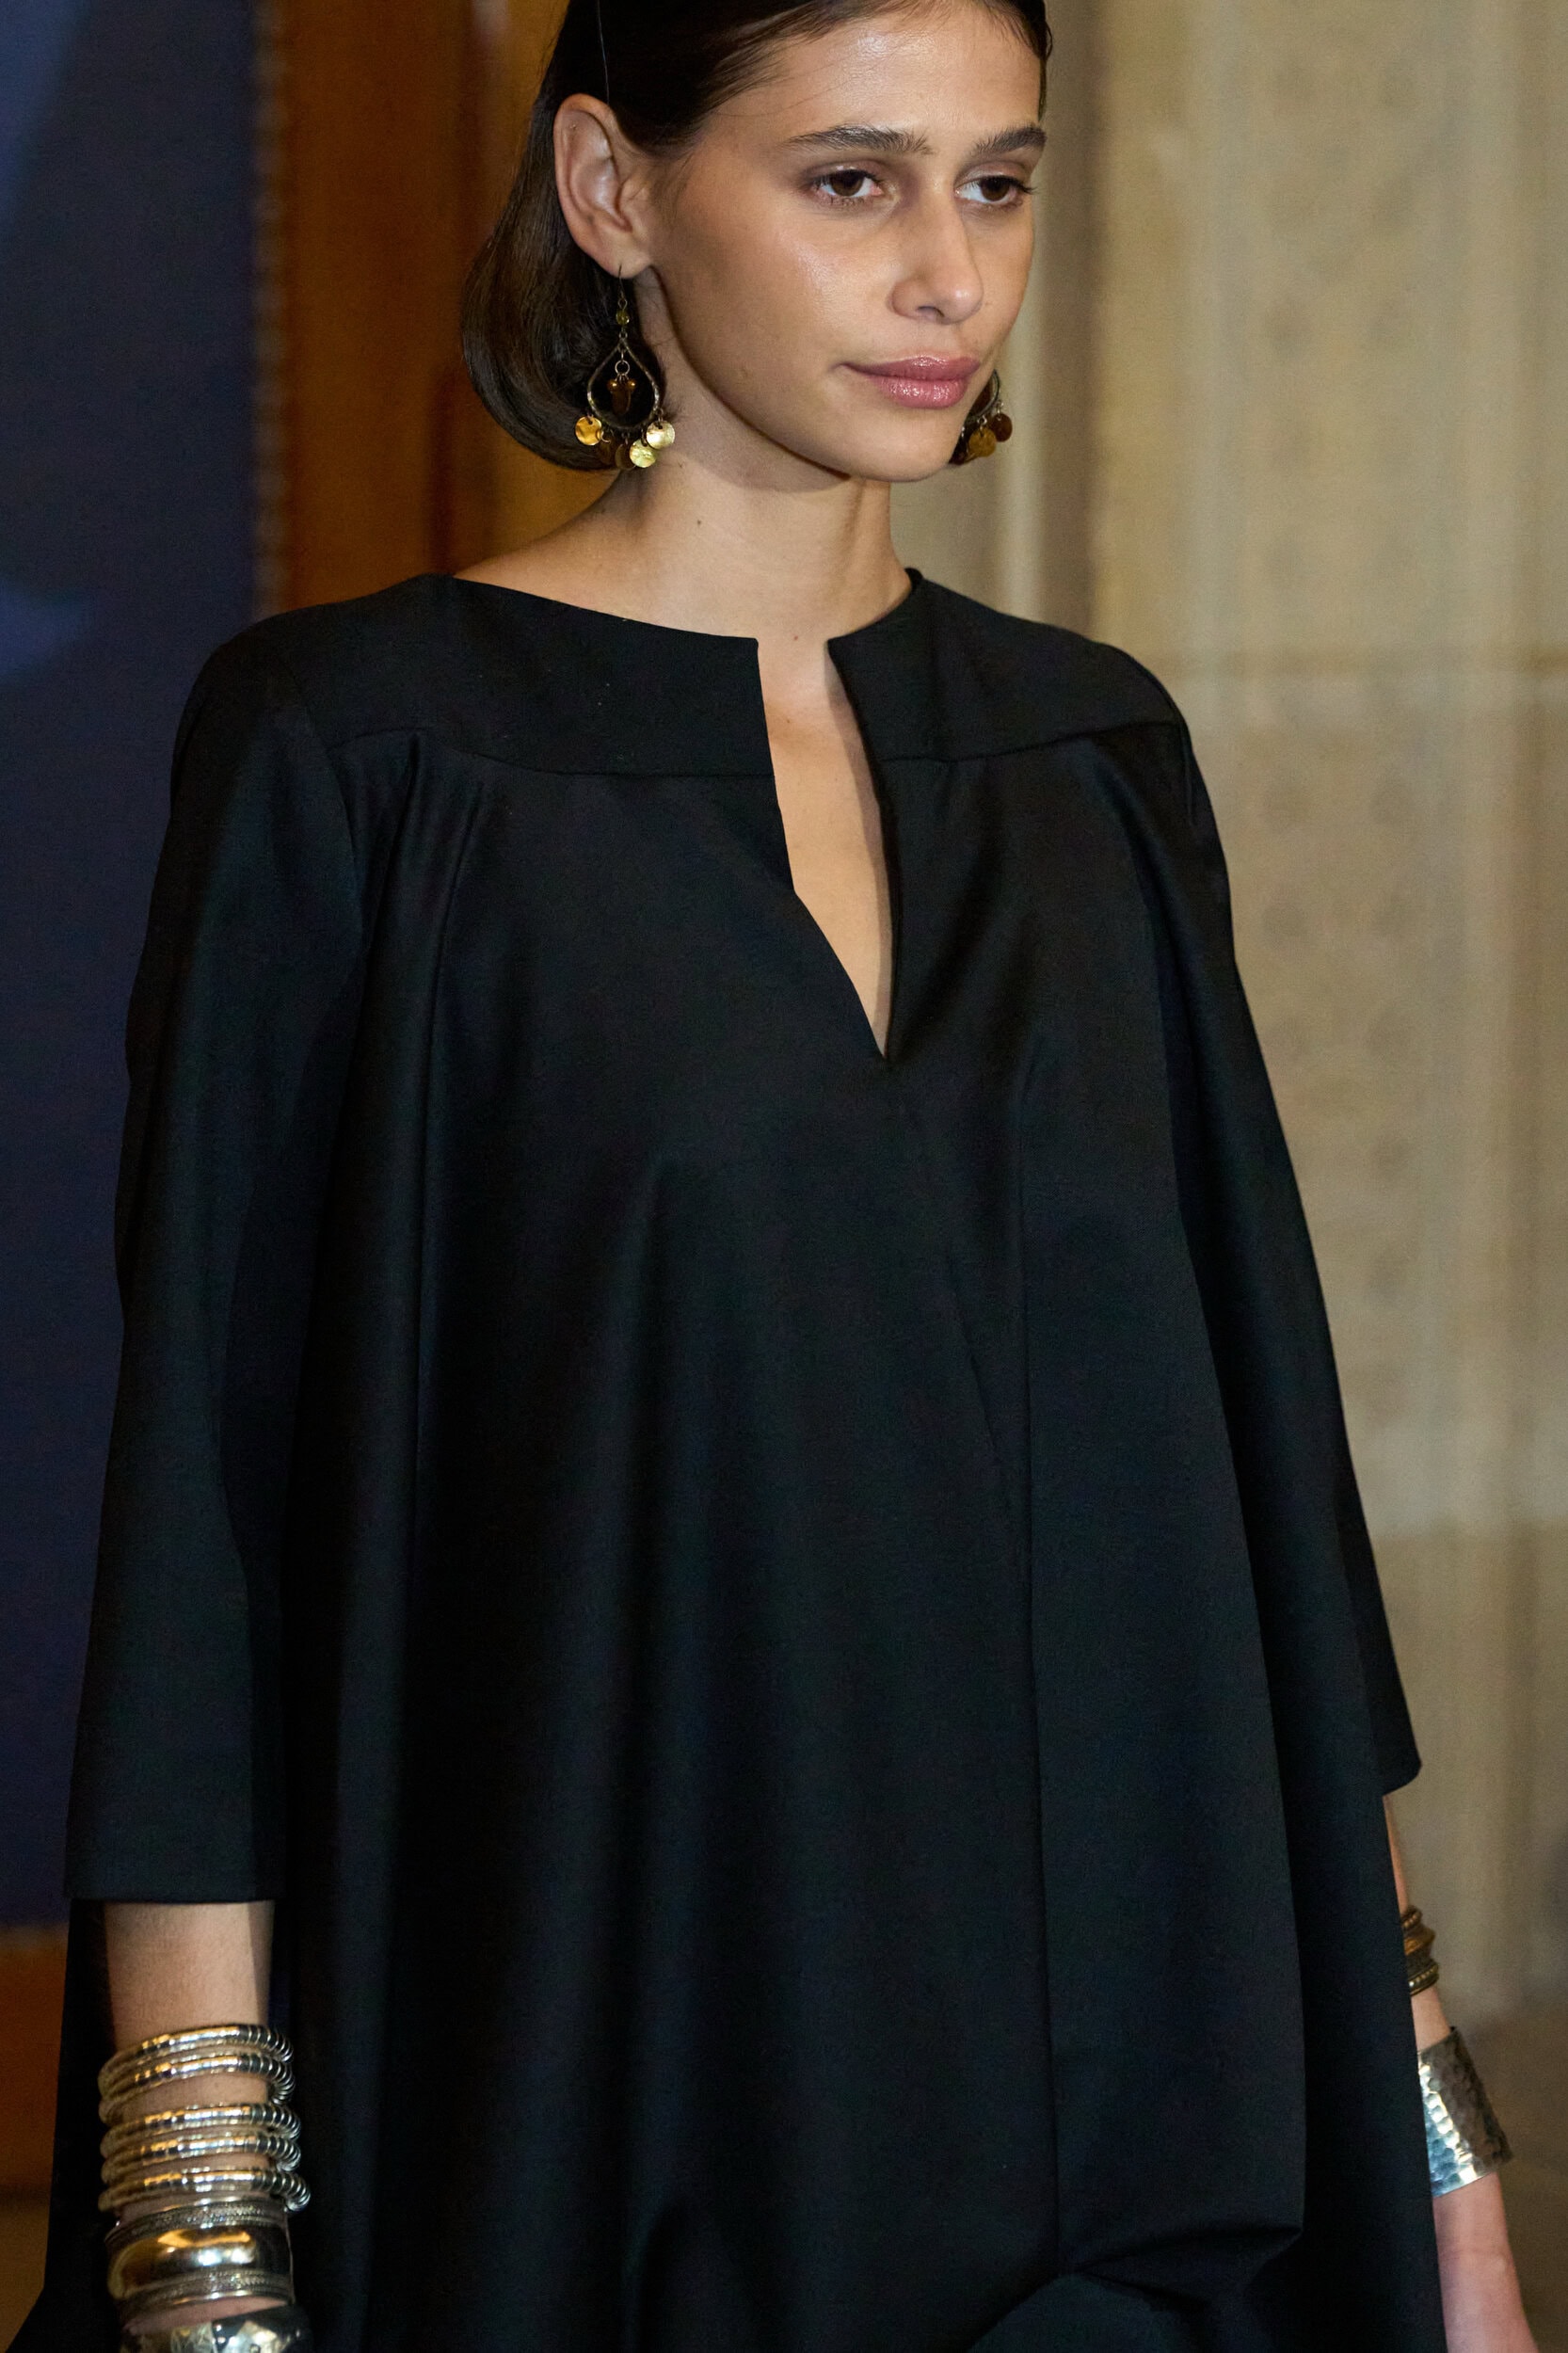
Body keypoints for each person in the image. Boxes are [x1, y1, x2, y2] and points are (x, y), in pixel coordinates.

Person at [18, 3, 1540, 2349]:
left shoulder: (1093, 756)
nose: (949, 271)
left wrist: (1439, 2164)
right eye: (851, 180)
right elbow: (209, 1547)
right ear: (613, 190)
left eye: (997, 181)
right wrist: (205, 2264)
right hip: (605, 2134)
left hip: (1157, 2160)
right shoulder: (360, 757)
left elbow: (1265, 1525)